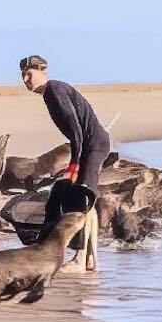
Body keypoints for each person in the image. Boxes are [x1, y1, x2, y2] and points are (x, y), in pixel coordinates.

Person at [19, 55, 110, 272]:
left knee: (82, 200)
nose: (25, 79)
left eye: (29, 74)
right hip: (90, 145)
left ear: (43, 72)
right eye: (23, 75)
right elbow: (75, 134)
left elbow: (77, 132)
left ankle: (80, 259)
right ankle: (89, 259)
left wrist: (74, 165)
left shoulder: (55, 90)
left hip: (93, 145)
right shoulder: (51, 93)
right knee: (85, 200)